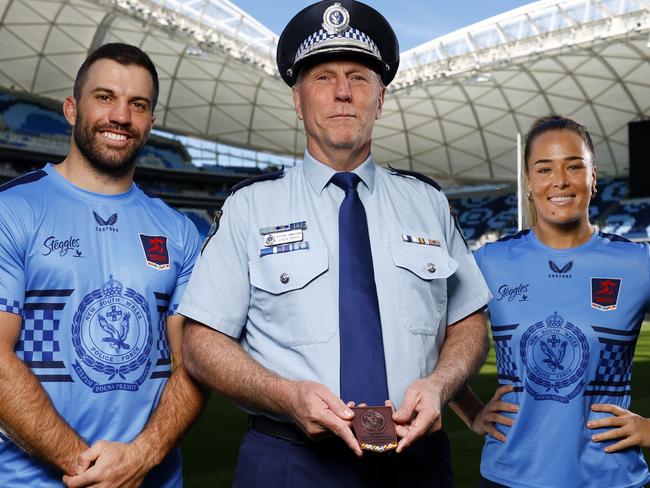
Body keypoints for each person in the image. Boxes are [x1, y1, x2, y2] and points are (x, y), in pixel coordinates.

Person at [179, 1, 491, 486]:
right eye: (323, 78)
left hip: (418, 462)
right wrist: (286, 395)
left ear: (381, 99)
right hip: (288, 460)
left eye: (359, 78)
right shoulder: (249, 208)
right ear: (298, 101)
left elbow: (469, 320)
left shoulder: (428, 202)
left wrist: (441, 384)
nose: (343, 92)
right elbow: (201, 343)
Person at [0, 43, 205, 487]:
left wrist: (141, 458)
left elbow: (194, 364)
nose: (121, 116)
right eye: (105, 97)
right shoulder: (11, 210)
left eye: (138, 104)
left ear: (150, 121)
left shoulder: (179, 231)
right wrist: (92, 470)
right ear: (72, 109)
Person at [452, 115, 650, 488]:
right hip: (508, 478)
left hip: (610, 479)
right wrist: (472, 412)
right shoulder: (489, 262)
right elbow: (429, 343)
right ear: (529, 181)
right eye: (544, 169)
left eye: (574, 166)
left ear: (594, 176)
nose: (560, 180)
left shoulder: (637, 263)